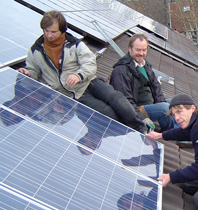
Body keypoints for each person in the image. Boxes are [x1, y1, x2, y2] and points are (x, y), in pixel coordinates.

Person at [17, 10, 147, 133]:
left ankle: (141, 128)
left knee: (116, 98)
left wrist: (79, 75)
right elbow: (34, 72)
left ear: (62, 30)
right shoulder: (36, 50)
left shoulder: (74, 44)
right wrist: (28, 73)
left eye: (53, 32)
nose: (49, 35)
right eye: (46, 31)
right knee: (107, 112)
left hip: (90, 82)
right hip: (73, 95)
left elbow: (90, 62)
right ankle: (131, 133)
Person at [110, 33, 177, 132]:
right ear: (130, 49)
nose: (141, 53)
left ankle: (184, 128)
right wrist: (142, 117)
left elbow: (156, 89)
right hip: (136, 109)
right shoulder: (121, 71)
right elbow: (125, 101)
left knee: (178, 102)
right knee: (165, 109)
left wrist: (160, 103)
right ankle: (174, 132)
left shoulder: (145, 66)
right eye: (138, 50)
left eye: (144, 50)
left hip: (149, 104)